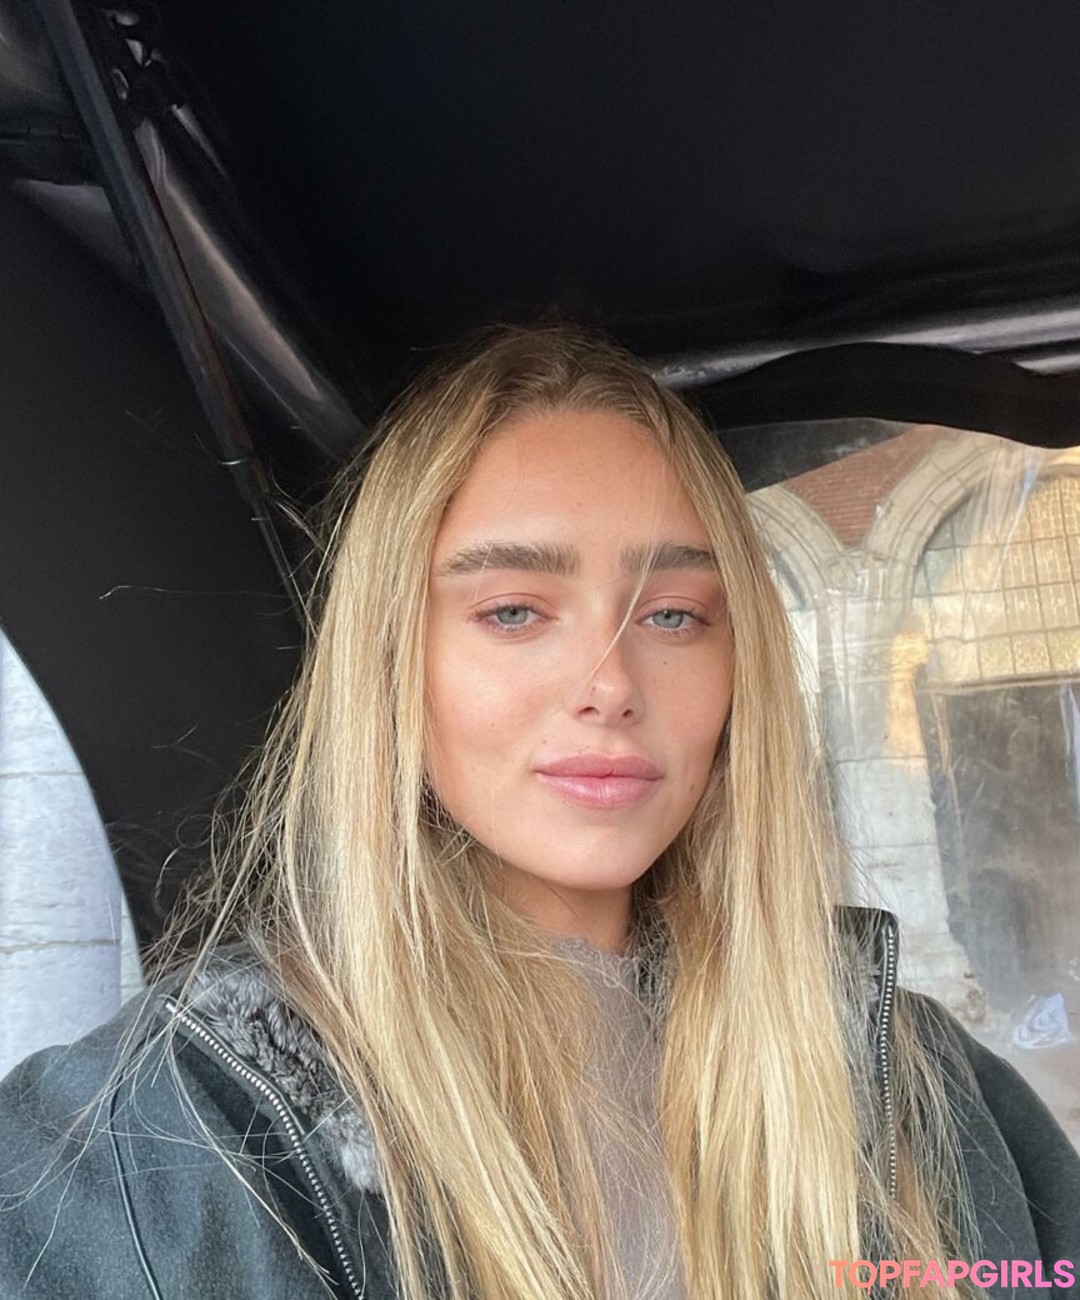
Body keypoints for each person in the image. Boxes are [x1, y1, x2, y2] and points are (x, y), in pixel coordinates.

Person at [0, 326, 1077, 1300]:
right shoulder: (183, 1128)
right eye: (514, 610)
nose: (611, 684)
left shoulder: (917, 1080)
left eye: (673, 614)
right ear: (392, 664)